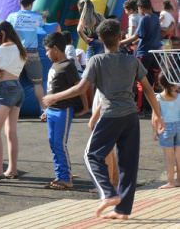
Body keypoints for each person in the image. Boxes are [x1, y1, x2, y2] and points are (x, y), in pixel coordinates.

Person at [43, 18, 165, 220]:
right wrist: (158, 115)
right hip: (131, 116)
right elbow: (149, 90)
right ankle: (122, 210)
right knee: (128, 164)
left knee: (91, 156)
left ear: (99, 39)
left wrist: (54, 97)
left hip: (110, 116)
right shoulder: (132, 61)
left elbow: (80, 88)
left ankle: (108, 193)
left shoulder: (97, 60)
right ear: (120, 37)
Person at [41, 32, 88, 190]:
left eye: (47, 50)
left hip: (63, 110)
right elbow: (52, 89)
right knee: (53, 143)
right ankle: (60, 175)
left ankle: (66, 178)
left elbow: (79, 88)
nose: (46, 54)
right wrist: (47, 110)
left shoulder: (68, 66)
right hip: (52, 111)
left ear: (55, 49)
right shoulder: (54, 65)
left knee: (59, 144)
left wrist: (85, 108)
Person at [0, 20, 27, 179]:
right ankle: (12, 169)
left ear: (2, 33)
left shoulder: (3, 49)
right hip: (18, 88)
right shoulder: (20, 48)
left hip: (5, 88)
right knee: (11, 132)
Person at [6, 0, 49, 113]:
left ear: (19, 3)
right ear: (31, 4)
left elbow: (6, 28)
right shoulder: (37, 17)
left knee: (15, 81)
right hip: (32, 53)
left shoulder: (12, 16)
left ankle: (11, 111)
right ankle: (43, 110)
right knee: (38, 83)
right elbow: (43, 25)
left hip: (16, 52)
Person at [120, 0, 161, 93]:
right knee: (151, 80)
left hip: (144, 53)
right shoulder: (156, 18)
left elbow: (136, 36)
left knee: (141, 81)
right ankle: (149, 101)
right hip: (154, 54)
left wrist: (120, 42)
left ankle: (141, 102)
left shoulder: (144, 19)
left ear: (141, 8)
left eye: (138, 9)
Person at [156, 73, 180, 189]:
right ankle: (179, 180)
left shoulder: (158, 97)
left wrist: (154, 130)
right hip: (179, 126)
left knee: (168, 156)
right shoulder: (179, 96)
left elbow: (155, 116)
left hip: (165, 127)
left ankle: (171, 181)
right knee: (179, 156)